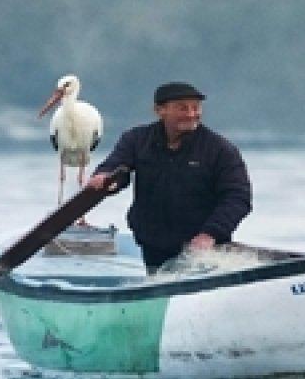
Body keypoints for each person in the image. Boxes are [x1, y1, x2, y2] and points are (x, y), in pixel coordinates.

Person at [86, 81, 252, 271]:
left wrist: (209, 234)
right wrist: (104, 177)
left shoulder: (220, 149)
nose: (191, 114)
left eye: (196, 108)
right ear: (160, 110)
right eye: (182, 108)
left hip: (203, 248)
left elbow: (238, 198)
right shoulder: (137, 139)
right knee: (159, 280)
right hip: (153, 243)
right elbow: (117, 166)